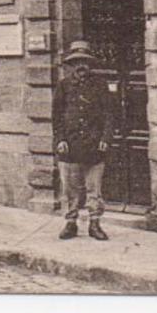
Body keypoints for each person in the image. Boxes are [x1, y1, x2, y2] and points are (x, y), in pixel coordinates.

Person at [53, 40, 118, 241]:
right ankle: (71, 223)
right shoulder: (63, 86)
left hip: (94, 145)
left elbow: (109, 114)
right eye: (77, 62)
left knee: (94, 189)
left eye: (85, 62)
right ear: (71, 65)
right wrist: (60, 139)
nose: (81, 67)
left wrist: (106, 138)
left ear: (90, 64)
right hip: (70, 145)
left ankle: (94, 224)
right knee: (71, 189)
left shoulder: (99, 85)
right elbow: (56, 115)